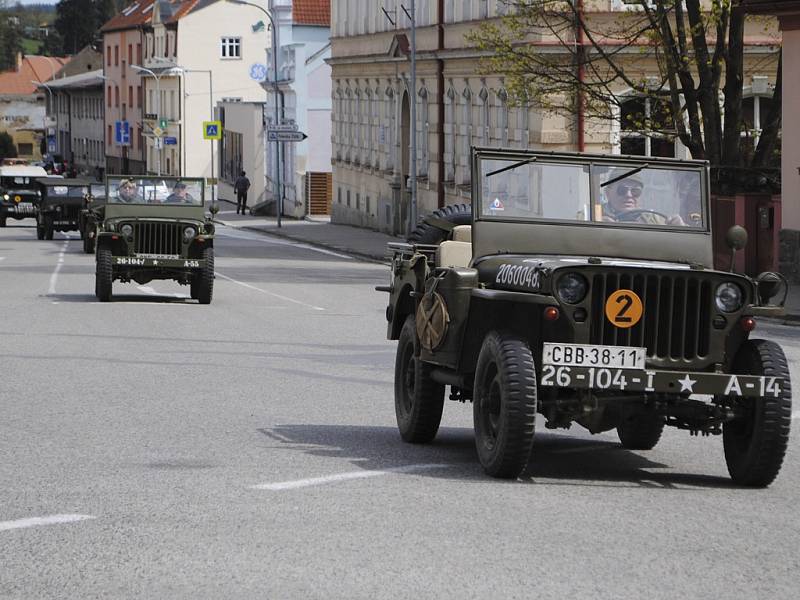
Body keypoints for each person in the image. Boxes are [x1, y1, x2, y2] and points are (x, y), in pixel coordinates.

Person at [602, 172, 685, 226]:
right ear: (608, 193)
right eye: (622, 190)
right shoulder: (596, 216)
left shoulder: (653, 219)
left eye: (635, 192)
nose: (629, 195)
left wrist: (681, 227)